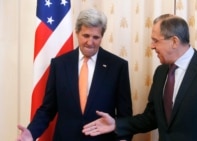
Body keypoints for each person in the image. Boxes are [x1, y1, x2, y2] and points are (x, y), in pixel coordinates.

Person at [82, 14, 197, 141]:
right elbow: (151, 117)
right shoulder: (161, 72)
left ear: (174, 42)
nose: (151, 46)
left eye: (156, 40)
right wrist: (116, 124)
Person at [17, 8, 132, 141]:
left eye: (96, 37)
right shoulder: (59, 64)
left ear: (102, 36)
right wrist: (31, 133)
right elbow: (48, 109)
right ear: (77, 33)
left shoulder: (118, 66)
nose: (90, 42)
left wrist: (124, 139)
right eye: (86, 36)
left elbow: (125, 114)